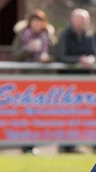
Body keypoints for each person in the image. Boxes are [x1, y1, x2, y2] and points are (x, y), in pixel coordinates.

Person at [55, 9, 96, 154]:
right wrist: (79, 60)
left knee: (86, 115)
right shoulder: (65, 36)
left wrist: (93, 60)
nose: (84, 23)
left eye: (86, 20)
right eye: (81, 19)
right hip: (68, 84)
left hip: (85, 83)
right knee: (68, 116)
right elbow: (61, 56)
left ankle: (88, 144)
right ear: (73, 20)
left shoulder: (89, 36)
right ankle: (66, 145)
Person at [11, 9, 57, 156]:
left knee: (38, 115)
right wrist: (27, 49)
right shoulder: (22, 35)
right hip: (25, 82)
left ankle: (34, 144)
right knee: (25, 114)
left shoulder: (48, 37)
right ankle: (25, 145)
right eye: (34, 21)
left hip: (42, 82)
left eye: (39, 21)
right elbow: (14, 55)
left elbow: (56, 54)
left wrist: (47, 59)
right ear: (30, 22)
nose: (37, 24)